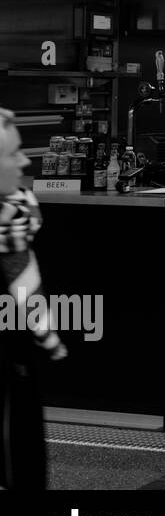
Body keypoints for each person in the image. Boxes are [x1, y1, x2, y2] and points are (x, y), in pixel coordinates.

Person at [0, 107, 67, 491]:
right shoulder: (11, 241)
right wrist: (49, 338)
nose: (25, 161)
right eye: (12, 153)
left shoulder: (16, 218)